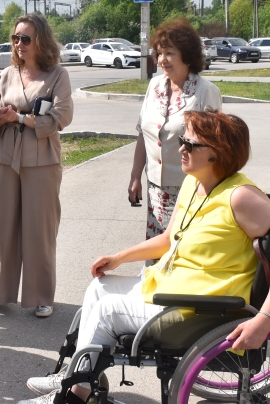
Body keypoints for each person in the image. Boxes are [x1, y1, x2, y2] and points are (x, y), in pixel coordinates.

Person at [21, 109, 270, 404]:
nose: (181, 149)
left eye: (190, 144)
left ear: (217, 153)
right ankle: (75, 376)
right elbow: (168, 239)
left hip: (204, 307)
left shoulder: (241, 197)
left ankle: (73, 396)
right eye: (182, 140)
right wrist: (119, 257)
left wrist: (264, 320)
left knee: (108, 311)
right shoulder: (194, 183)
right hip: (175, 289)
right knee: (100, 287)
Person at [0, 14, 73, 318]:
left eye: (25, 39)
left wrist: (21, 118)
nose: (19, 44)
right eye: (15, 38)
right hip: (7, 156)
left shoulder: (57, 75)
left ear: (40, 40)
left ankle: (41, 295)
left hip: (41, 159)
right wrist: (0, 119)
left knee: (38, 228)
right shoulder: (5, 74)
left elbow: (61, 117)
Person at [128, 17, 222, 240]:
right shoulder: (155, 86)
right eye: (159, 53)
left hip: (190, 190)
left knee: (183, 253)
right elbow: (144, 132)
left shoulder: (205, 91)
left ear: (187, 55)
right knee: (157, 253)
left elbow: (215, 148)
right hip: (155, 190)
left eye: (169, 53)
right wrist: (135, 176)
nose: (162, 60)